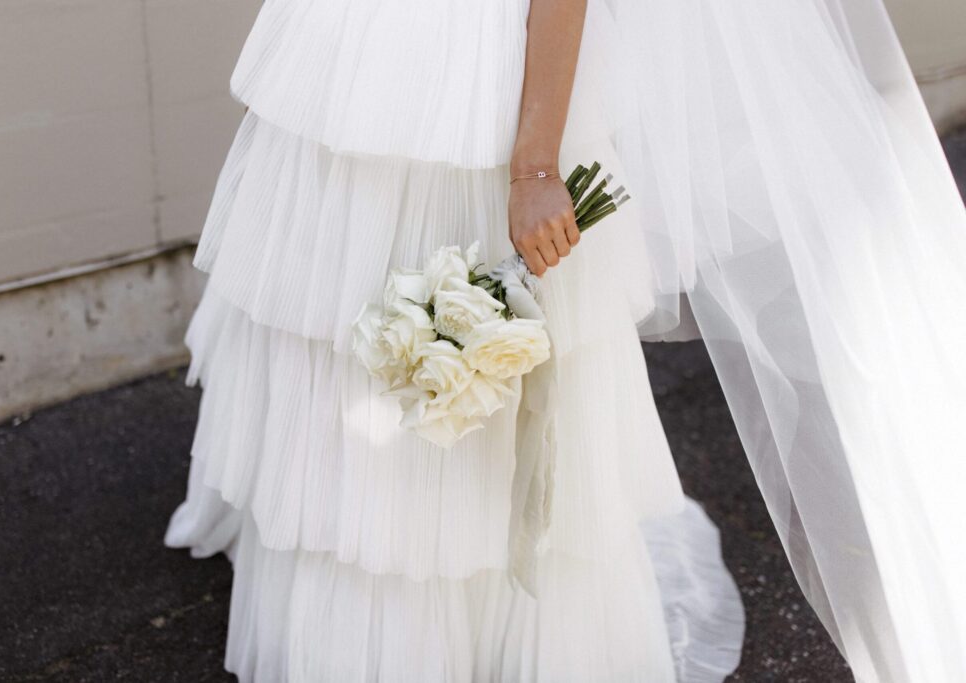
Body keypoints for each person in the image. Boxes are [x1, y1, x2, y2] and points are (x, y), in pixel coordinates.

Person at [167, 0, 966, 681]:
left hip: (481, 68)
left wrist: (535, 166)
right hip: (358, 51)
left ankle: (467, 624)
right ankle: (380, 620)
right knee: (343, 337)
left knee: (467, 357)